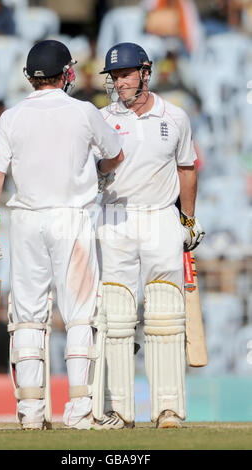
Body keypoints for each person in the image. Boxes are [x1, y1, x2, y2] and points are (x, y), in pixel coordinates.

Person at [0, 39, 124, 430]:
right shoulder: (84, 112)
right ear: (66, 74)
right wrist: (98, 169)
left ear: (30, 76)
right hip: (70, 219)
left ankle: (30, 411)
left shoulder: (12, 116)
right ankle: (79, 411)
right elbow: (116, 155)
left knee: (27, 317)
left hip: (25, 222)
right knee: (78, 316)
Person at [95, 42, 204, 429]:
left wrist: (187, 220)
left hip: (160, 216)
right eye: (114, 76)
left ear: (145, 71)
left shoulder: (174, 116)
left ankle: (168, 408)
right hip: (114, 218)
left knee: (165, 312)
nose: (119, 82)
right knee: (115, 314)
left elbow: (187, 167)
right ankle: (117, 410)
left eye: (125, 73)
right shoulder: (100, 117)